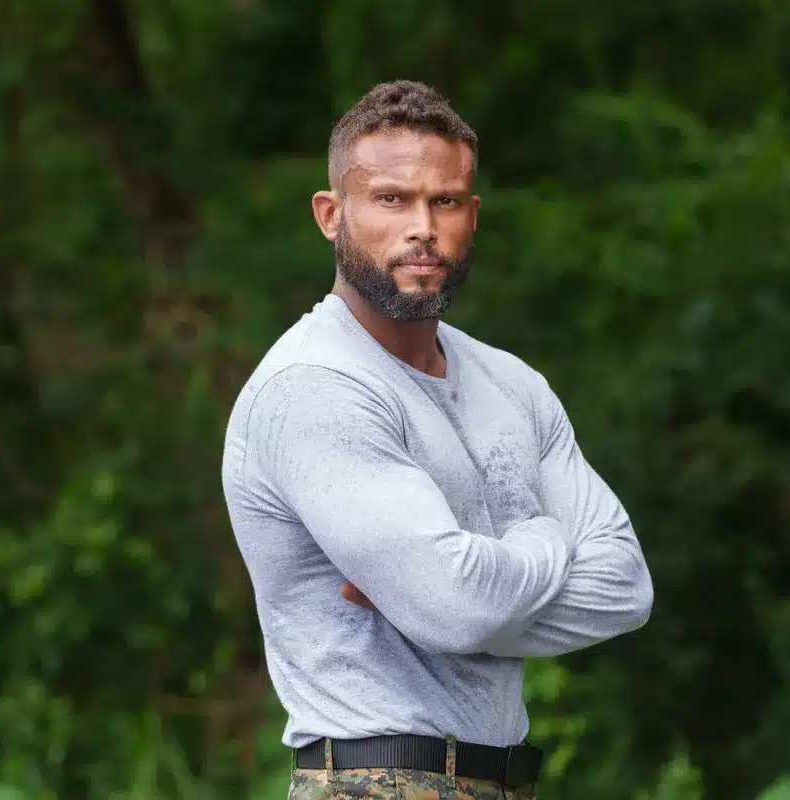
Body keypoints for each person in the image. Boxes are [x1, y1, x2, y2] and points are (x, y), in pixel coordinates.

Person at [221, 80, 654, 800]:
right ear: (331, 214)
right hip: (369, 780)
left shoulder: (512, 384)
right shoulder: (315, 387)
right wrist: (543, 536)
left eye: (445, 202)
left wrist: (460, 597)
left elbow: (624, 587)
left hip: (505, 782)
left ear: (471, 216)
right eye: (391, 199)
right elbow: (454, 604)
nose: (422, 227)